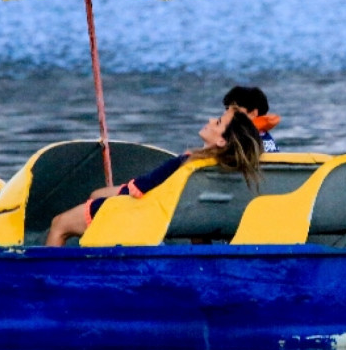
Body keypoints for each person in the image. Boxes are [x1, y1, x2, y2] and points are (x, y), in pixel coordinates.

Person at [44, 110, 263, 246]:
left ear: (223, 141)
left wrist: (106, 193)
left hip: (143, 214)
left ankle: (46, 282)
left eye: (218, 122)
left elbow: (139, 188)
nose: (210, 119)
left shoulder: (186, 162)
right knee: (96, 197)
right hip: (184, 220)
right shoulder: (220, 168)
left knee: (60, 224)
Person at [222, 85, 280, 153]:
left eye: (235, 110)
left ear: (253, 113)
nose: (225, 114)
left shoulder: (243, 139)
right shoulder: (266, 137)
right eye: (227, 109)